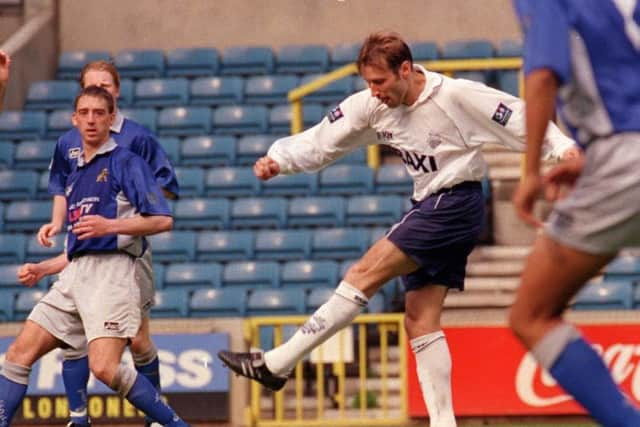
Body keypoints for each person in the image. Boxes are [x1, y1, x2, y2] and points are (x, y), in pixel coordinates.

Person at [218, 31, 577, 427]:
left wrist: (563, 149)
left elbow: (517, 116)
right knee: (419, 320)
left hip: (454, 203)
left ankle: (277, 363)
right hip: (432, 203)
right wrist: (278, 159)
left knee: (363, 274)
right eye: (368, 83)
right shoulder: (373, 105)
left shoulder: (455, 97)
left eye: (380, 82)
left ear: (405, 69)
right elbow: (323, 140)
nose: (373, 92)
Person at [0, 86, 189, 427]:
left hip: (113, 276)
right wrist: (44, 268)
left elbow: (163, 219)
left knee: (103, 368)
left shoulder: (126, 162)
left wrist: (110, 226)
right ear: (74, 120)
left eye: (98, 113)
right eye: (84, 113)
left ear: (110, 118)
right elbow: (79, 248)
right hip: (74, 277)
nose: (90, 120)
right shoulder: (75, 173)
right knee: (16, 355)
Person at [510, 1, 640, 426]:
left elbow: (544, 71)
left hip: (625, 163)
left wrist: (530, 172)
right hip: (618, 149)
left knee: (532, 314)